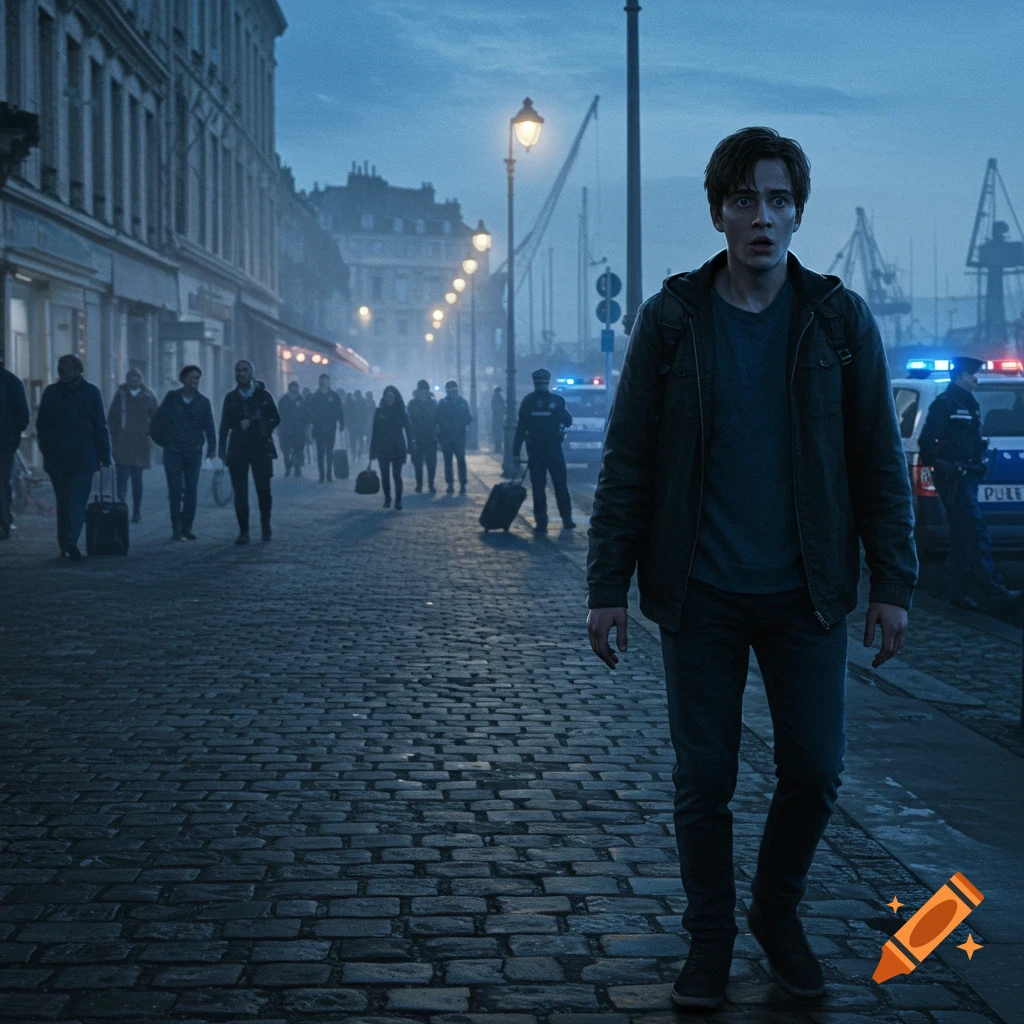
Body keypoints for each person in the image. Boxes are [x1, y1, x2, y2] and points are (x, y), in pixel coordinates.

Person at [585, 127, 918, 1009]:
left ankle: (776, 911)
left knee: (815, 770)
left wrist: (892, 583)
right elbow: (630, 461)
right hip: (698, 592)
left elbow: (877, 458)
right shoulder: (672, 321)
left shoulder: (838, 319)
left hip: (807, 593)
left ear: (798, 212)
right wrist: (604, 590)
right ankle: (709, 939)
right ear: (720, 213)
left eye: (778, 201)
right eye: (745, 200)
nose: (762, 217)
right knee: (706, 782)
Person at [918, 355, 1020, 611]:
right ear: (960, 377)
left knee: (960, 536)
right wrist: (947, 467)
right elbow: (927, 445)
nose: (976, 379)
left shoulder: (970, 403)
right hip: (954, 479)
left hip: (970, 475)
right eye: (972, 376)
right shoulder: (944, 404)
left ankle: (955, 593)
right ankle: (994, 590)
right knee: (975, 532)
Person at [35, 353, 112, 560]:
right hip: (58, 459)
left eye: (66, 366)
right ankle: (66, 542)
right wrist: (47, 451)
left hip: (83, 457)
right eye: (60, 366)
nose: (62, 369)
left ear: (78, 369)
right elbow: (42, 425)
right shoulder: (51, 392)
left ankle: (70, 541)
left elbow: (100, 426)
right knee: (64, 502)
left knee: (76, 501)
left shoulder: (91, 392)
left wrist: (106, 455)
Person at [151, 365, 216, 540]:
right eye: (192, 377)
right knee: (175, 489)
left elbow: (209, 426)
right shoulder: (172, 398)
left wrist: (211, 448)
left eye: (197, 378)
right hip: (173, 451)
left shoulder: (203, 402)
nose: (195, 381)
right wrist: (163, 442)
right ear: (184, 379)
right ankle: (176, 527)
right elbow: (157, 421)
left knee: (191, 490)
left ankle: (187, 527)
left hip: (193, 452)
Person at [219, 360, 280, 544]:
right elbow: (224, 425)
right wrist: (221, 450)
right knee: (240, 493)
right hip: (238, 449)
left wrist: (258, 424)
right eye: (238, 370)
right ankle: (243, 531)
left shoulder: (263, 395)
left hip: (260, 448)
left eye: (245, 370)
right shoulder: (231, 398)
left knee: (263, 490)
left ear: (251, 373)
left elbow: (275, 418)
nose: (241, 373)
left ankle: (265, 525)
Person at [512, 368, 575, 533]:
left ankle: (542, 522)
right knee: (558, 486)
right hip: (551, 450)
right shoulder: (557, 401)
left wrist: (515, 453)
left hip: (537, 451)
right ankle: (566, 519)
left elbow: (520, 429)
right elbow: (568, 421)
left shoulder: (528, 402)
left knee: (540, 488)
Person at [107, 369, 158, 524]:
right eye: (131, 377)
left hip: (140, 444)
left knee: (137, 479)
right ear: (127, 379)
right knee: (121, 478)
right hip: (122, 443)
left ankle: (136, 511)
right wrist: (114, 435)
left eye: (137, 377)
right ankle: (121, 509)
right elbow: (111, 417)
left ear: (141, 379)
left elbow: (157, 418)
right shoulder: (120, 394)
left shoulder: (148, 395)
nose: (134, 380)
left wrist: (151, 434)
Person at [369, 385, 413, 510]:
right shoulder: (379, 412)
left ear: (395, 397)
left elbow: (408, 430)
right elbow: (375, 432)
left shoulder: (401, 411)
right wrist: (372, 451)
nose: (389, 398)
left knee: (397, 475)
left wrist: (410, 445)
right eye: (387, 396)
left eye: (391, 396)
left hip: (397, 447)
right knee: (385, 476)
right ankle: (387, 498)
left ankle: (398, 500)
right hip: (383, 447)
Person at [0, 355, 30, 540]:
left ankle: (4, 520)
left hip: (5, 441)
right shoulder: (12, 382)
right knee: (2, 482)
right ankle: (4, 521)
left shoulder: (11, 382)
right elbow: (23, 416)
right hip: (5, 442)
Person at [307, 373, 345, 483]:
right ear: (320, 382)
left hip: (330, 428)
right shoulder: (315, 397)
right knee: (320, 453)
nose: (324, 382)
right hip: (319, 428)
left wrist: (341, 423)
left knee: (329, 452)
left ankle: (328, 474)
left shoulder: (334, 396)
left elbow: (339, 411)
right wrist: (312, 423)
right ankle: (322, 475)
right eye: (322, 380)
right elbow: (311, 412)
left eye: (326, 380)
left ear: (329, 382)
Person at [436, 379, 472, 495]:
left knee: (460, 460)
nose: (452, 393)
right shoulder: (446, 403)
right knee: (449, 461)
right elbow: (437, 419)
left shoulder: (460, 402)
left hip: (458, 436)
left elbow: (468, 418)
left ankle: (462, 484)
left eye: (454, 391)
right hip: (448, 436)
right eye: (450, 391)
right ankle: (451, 484)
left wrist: (460, 424)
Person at [407, 379, 439, 494]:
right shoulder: (413, 403)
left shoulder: (433, 403)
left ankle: (431, 484)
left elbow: (436, 418)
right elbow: (411, 418)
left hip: (430, 437)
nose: (423, 392)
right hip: (418, 437)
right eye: (421, 390)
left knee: (431, 463)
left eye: (425, 390)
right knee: (418, 464)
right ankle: (419, 484)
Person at [278, 380, 308, 477]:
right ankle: (288, 468)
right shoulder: (284, 400)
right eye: (292, 387)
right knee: (286, 450)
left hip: (298, 429)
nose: (294, 389)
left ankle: (297, 468)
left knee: (297, 449)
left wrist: (306, 425)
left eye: (296, 387)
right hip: (285, 428)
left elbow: (305, 413)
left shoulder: (301, 400)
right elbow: (279, 413)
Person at [491, 386, 506, 454]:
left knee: (497, 433)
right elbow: (498, 407)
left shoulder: (495, 397)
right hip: (498, 418)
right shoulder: (497, 397)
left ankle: (498, 447)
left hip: (497, 417)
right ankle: (498, 448)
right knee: (498, 433)